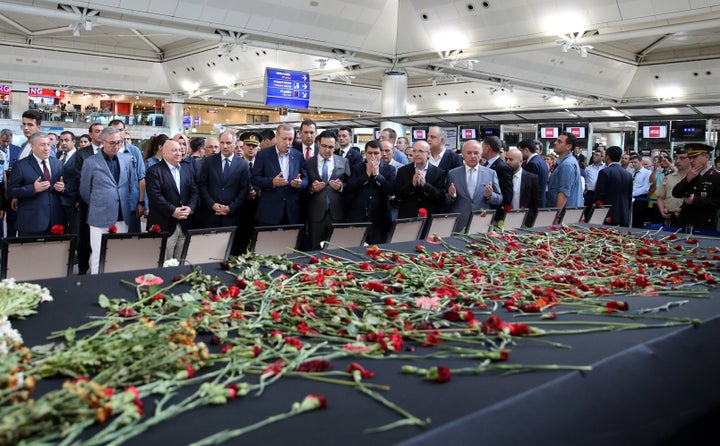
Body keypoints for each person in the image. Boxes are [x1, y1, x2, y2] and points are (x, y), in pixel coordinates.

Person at [79, 127, 139, 274]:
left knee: (119, 254)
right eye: (112, 143)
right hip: (99, 215)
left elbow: (132, 184)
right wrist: (100, 202)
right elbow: (85, 191)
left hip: (121, 215)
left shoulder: (126, 159)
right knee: (98, 255)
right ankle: (96, 285)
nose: (116, 146)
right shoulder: (91, 162)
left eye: (119, 142)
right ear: (103, 142)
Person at [146, 139, 198, 260]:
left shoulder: (187, 170)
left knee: (181, 262)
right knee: (164, 262)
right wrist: (173, 211)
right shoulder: (154, 171)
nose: (179, 153)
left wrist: (190, 208)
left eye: (180, 150)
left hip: (185, 224)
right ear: (164, 153)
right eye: (174, 150)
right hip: (164, 224)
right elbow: (155, 197)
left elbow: (194, 192)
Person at [7, 132, 65, 236]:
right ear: (32, 146)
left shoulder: (58, 163)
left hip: (55, 222)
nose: (47, 148)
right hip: (31, 223)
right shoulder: (21, 165)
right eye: (42, 145)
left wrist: (63, 188)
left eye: (48, 144)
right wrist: (32, 189)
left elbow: (67, 186)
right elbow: (11, 191)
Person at [252, 123, 308, 225]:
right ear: (277, 137)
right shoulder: (263, 155)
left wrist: (300, 183)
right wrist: (272, 182)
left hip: (291, 211)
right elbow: (255, 179)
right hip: (270, 211)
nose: (287, 142)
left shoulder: (298, 156)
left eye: (290, 139)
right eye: (284, 139)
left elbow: (305, 178)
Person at [305, 130, 351, 250]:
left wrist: (341, 187)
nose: (327, 150)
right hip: (316, 214)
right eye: (324, 146)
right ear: (318, 143)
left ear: (335, 146)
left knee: (336, 250)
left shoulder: (343, 161)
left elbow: (350, 186)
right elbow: (302, 188)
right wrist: (312, 188)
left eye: (331, 147)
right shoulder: (308, 162)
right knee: (315, 249)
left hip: (337, 214)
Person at [345, 140, 396, 244]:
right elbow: (350, 188)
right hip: (359, 217)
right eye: (370, 153)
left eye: (376, 153)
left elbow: (391, 190)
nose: (373, 156)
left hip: (380, 218)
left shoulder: (389, 169)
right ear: (365, 153)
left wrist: (377, 176)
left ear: (381, 154)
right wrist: (366, 176)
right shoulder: (357, 168)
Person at [197, 130, 250, 229]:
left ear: (235, 144)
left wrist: (230, 208)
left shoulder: (243, 165)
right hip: (210, 214)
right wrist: (212, 204)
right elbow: (202, 185)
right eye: (222, 143)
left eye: (228, 143)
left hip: (231, 216)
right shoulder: (209, 162)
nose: (225, 146)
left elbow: (244, 189)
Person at [446, 140, 502, 231]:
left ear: (481, 154)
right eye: (469, 153)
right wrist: (451, 196)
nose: (473, 156)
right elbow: (445, 200)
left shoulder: (490, 173)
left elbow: (499, 199)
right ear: (463, 155)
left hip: (482, 222)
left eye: (476, 153)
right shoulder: (453, 174)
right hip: (459, 223)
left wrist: (490, 196)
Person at [672, 143, 720, 231]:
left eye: (695, 157)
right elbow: (676, 193)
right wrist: (687, 179)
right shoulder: (692, 175)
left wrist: (696, 200)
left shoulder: (716, 177)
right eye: (690, 157)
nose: (691, 161)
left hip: (704, 222)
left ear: (706, 157)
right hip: (686, 221)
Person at [395, 140, 447, 218]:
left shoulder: (439, 173)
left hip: (429, 216)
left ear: (428, 154)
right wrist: (412, 184)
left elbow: (441, 197)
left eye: (421, 151)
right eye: (414, 151)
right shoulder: (402, 171)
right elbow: (398, 195)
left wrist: (426, 186)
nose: (416, 154)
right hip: (408, 216)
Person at [547, 132, 583, 220]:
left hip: (564, 217)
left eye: (559, 142)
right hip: (568, 214)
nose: (555, 143)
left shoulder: (567, 165)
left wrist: (555, 217)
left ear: (568, 147)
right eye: (556, 140)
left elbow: (564, 193)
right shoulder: (567, 162)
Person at [595, 146, 633, 226]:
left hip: (608, 215)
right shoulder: (628, 174)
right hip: (624, 214)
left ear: (607, 157)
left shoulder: (604, 172)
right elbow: (629, 196)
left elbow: (600, 195)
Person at [505, 148, 541, 227]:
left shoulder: (531, 178)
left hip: (526, 221)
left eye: (511, 159)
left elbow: (537, 202)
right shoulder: (503, 176)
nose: (507, 162)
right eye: (506, 159)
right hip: (506, 220)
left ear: (521, 162)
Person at [481, 135, 513, 224]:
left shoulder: (502, 167)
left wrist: (498, 218)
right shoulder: (486, 165)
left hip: (494, 216)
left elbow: (507, 196)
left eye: (482, 146)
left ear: (488, 148)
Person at [656, 149, 689, 228]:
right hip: (670, 216)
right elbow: (661, 197)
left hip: (689, 217)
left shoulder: (696, 177)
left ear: (690, 159)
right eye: (676, 158)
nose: (677, 161)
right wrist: (661, 209)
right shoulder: (668, 177)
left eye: (682, 158)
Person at [518, 139, 549, 207]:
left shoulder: (532, 164)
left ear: (526, 150)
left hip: (534, 203)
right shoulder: (541, 161)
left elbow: (530, 188)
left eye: (520, 151)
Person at [629, 152, 651, 228]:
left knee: (639, 218)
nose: (633, 164)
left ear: (640, 162)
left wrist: (633, 193)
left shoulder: (647, 173)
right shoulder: (630, 172)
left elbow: (645, 188)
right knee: (631, 217)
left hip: (640, 198)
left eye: (635, 162)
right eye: (632, 162)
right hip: (630, 198)